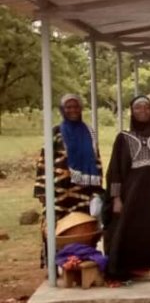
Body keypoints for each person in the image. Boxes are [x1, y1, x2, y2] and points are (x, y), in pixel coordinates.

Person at [104, 96, 150, 285]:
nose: (143, 111)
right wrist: (116, 198)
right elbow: (115, 171)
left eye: (146, 108)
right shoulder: (123, 138)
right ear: (132, 112)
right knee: (127, 231)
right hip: (130, 195)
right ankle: (126, 272)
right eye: (138, 108)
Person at [34, 94, 104, 268]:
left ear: (81, 109)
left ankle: (83, 262)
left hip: (83, 189)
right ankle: (53, 265)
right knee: (53, 226)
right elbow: (44, 160)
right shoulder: (55, 133)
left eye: (76, 107)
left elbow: (96, 160)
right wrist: (42, 190)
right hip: (58, 189)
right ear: (62, 110)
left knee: (85, 226)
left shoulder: (90, 131)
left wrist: (97, 188)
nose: (73, 110)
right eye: (69, 107)